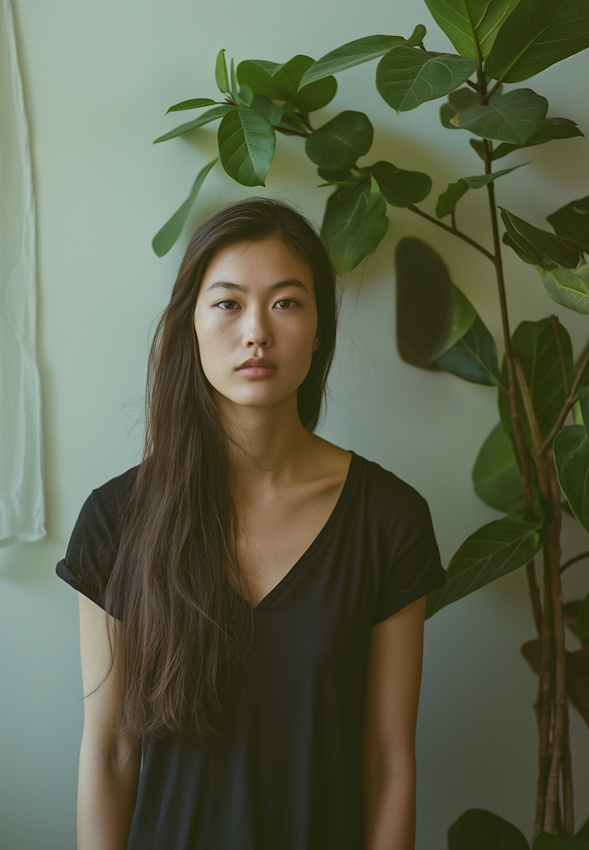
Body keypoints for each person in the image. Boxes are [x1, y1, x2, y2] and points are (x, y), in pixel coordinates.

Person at [56, 197, 447, 850]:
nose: (256, 333)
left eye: (287, 302)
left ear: (319, 327)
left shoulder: (388, 520)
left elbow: (388, 767)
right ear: (190, 325)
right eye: (228, 303)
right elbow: (108, 756)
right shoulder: (115, 521)